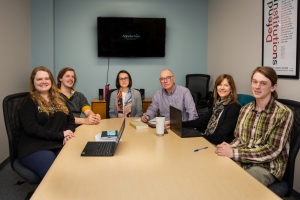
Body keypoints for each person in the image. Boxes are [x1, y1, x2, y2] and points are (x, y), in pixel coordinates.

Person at [216, 66, 294, 186]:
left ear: (273, 87)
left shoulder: (284, 113)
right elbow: (239, 139)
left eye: (263, 83)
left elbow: (272, 150)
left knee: (240, 184)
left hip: (267, 166)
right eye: (255, 82)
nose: (257, 87)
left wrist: (234, 153)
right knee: (216, 171)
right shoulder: (245, 110)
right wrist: (227, 148)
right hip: (243, 158)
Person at [18, 66, 76, 179]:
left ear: (51, 81)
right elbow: (32, 128)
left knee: (73, 167)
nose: (44, 82)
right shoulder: (28, 101)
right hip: (36, 146)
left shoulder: (60, 99)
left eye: (47, 78)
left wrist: (69, 132)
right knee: (54, 176)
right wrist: (61, 134)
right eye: (39, 79)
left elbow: (70, 119)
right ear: (33, 82)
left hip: (58, 143)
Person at [182, 74, 241, 145]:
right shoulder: (217, 104)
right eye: (219, 85)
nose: (222, 88)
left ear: (231, 89)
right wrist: (179, 124)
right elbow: (201, 122)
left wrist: (199, 138)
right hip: (210, 140)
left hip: (221, 145)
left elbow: (220, 137)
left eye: (226, 85)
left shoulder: (234, 108)